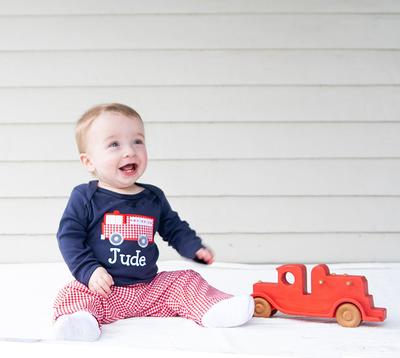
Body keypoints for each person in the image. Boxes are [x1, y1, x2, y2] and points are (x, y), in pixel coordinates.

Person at [53, 103, 254, 341]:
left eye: (137, 141)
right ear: (89, 162)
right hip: (103, 288)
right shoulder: (85, 196)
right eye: (114, 144)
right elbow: (69, 237)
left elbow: (173, 227)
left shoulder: (153, 197)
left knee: (186, 280)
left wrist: (193, 247)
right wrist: (89, 271)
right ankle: (82, 323)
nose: (129, 151)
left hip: (149, 288)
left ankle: (213, 309)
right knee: (72, 294)